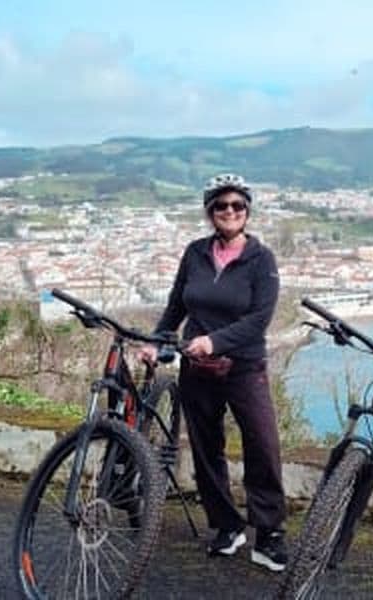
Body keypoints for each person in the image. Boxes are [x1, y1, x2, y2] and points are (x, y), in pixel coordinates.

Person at [138, 173, 287, 572]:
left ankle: (268, 533)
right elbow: (176, 306)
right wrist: (156, 341)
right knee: (205, 448)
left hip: (244, 366)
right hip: (196, 366)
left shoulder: (262, 259)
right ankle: (226, 524)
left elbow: (259, 320)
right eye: (221, 205)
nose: (229, 211)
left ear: (247, 212)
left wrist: (215, 341)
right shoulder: (195, 253)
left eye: (237, 205)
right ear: (210, 212)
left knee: (263, 446)